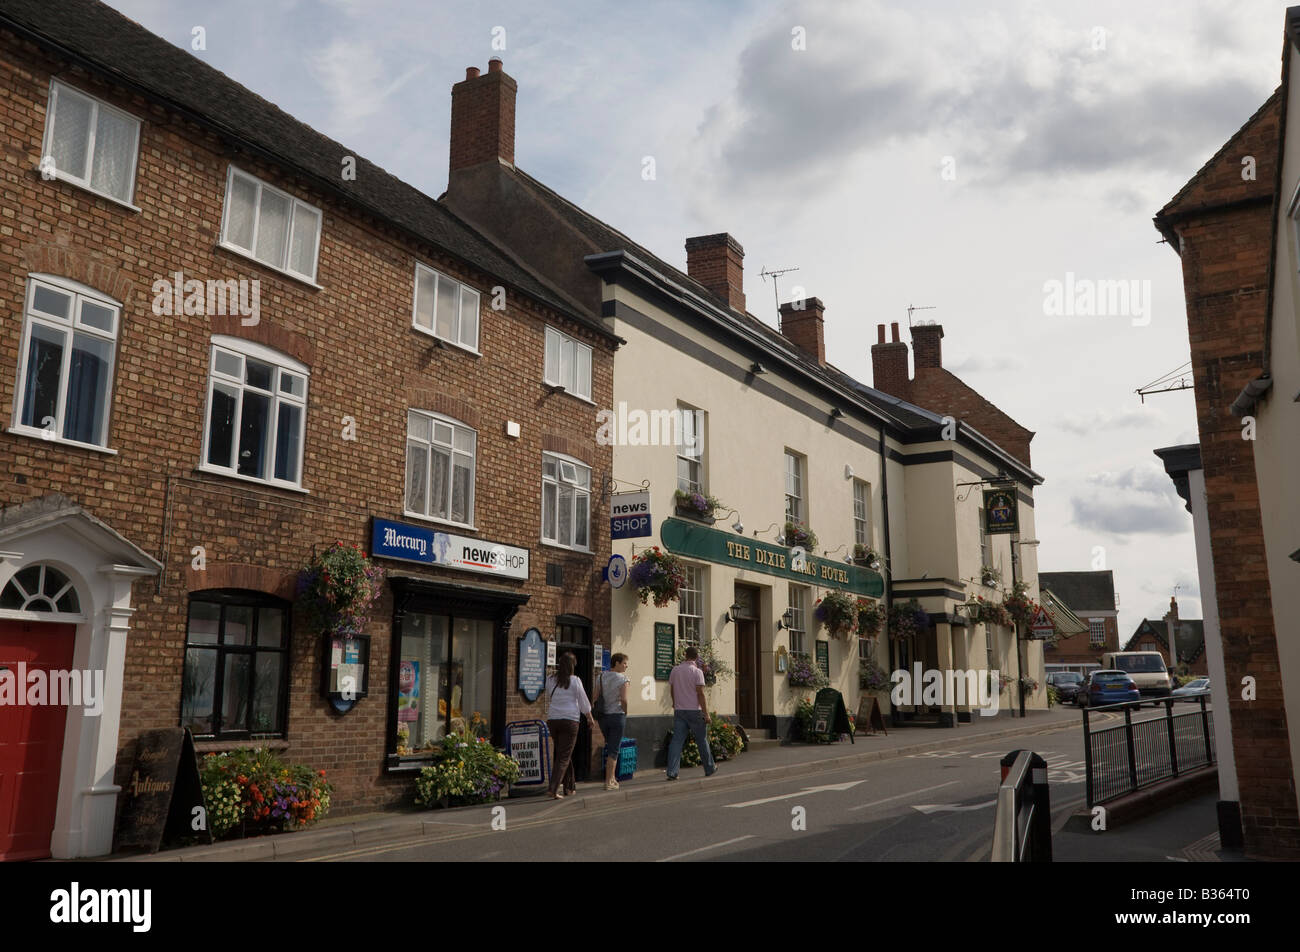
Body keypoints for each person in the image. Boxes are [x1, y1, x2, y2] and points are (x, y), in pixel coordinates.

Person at [545, 652, 594, 799]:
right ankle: (553, 789)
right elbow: (584, 701)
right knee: (563, 756)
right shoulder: (575, 681)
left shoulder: (550, 680)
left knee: (563, 754)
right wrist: (589, 717)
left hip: (553, 720)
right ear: (572, 665)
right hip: (570, 721)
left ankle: (570, 787)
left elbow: (549, 695)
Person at [666, 646, 716, 780]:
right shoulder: (697, 672)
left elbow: (672, 689)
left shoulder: (675, 670)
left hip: (679, 710)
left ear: (685, 655)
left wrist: (675, 702)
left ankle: (672, 771)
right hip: (695, 711)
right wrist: (706, 714)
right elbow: (700, 693)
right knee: (701, 740)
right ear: (696, 657)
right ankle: (709, 768)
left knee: (677, 741)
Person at [592, 653, 630, 790]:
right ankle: (608, 781)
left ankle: (612, 778)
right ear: (617, 663)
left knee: (610, 746)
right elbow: (624, 700)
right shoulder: (623, 679)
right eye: (625, 663)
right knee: (614, 749)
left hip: (603, 717)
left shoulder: (600, 677)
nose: (626, 666)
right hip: (617, 716)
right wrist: (625, 712)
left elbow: (595, 697)